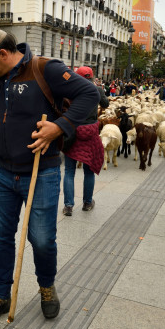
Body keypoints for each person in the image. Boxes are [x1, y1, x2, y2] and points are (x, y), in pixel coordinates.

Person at [0, 28, 99, 323]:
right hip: (4, 173)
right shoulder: (1, 77)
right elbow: (2, 114)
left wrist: (61, 126)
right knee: (2, 237)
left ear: (3, 54)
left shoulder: (46, 69)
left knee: (42, 239)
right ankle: (1, 295)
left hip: (41, 171)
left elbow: (89, 94)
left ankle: (46, 287)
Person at [62, 66, 108, 216]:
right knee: (89, 171)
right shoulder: (97, 90)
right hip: (90, 133)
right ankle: (87, 203)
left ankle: (68, 206)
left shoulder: (70, 91)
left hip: (72, 132)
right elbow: (106, 104)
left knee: (69, 171)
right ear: (92, 77)